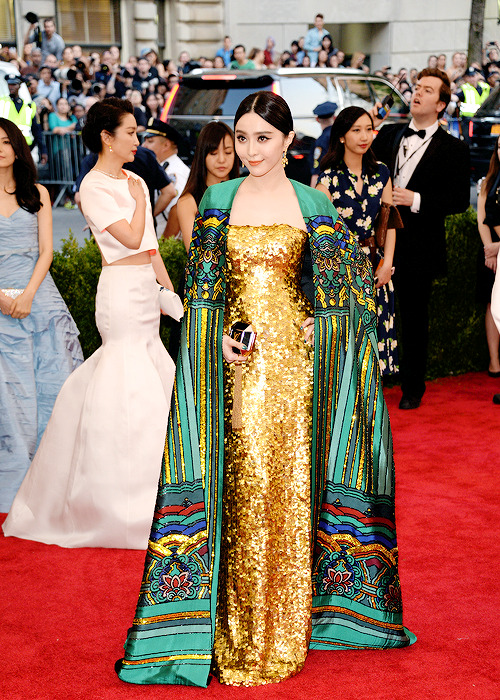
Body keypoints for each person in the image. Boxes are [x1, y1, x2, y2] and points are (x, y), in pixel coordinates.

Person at [116, 91, 415, 688]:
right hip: (237, 371)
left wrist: (319, 317)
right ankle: (233, 623)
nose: (251, 151)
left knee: (291, 483)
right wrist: (213, 340)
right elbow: (202, 292)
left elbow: (350, 289)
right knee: (244, 480)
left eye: (264, 139)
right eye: (244, 138)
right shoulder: (217, 200)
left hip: (298, 370)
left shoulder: (313, 201)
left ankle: (292, 620)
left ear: (287, 142)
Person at [3, 98, 179, 549]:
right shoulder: (94, 185)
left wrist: (168, 291)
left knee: (154, 373)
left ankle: (167, 494)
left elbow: (153, 247)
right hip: (119, 291)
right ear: (107, 136)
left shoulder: (136, 178)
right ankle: (116, 502)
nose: (138, 141)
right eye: (131, 133)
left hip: (144, 287)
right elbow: (129, 237)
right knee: (126, 379)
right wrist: (141, 199)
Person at [371, 68, 470, 409]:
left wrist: (414, 200)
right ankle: (375, 378)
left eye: (427, 90)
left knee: (413, 318)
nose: (417, 93)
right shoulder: (388, 135)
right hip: (379, 241)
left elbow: (458, 200)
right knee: (374, 311)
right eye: (417, 87)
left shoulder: (454, 148)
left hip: (420, 246)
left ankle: (413, 387)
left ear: (441, 105)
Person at [0, 119, 82, 512]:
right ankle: (12, 484)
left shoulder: (39, 194)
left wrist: (29, 294)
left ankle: (51, 482)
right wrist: (2, 298)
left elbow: (46, 250)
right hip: (0, 297)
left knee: (55, 385)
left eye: (5, 141)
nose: (0, 148)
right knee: (9, 393)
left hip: (40, 298)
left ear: (18, 147)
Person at [316, 106, 398, 376]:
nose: (365, 136)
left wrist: (387, 263)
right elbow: (321, 233)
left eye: (368, 129)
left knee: (376, 339)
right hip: (342, 268)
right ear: (341, 136)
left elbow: (389, 224)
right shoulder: (327, 178)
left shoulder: (382, 172)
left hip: (377, 264)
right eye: (356, 130)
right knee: (348, 344)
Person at [477, 136, 500, 378]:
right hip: (489, 252)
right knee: (492, 304)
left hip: (497, 248)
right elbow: (481, 218)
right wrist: (489, 249)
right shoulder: (489, 181)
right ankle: (495, 362)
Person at [142, 119, 190, 232]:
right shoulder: (163, 168)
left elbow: (177, 214)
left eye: (150, 141)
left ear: (166, 145)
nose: (144, 146)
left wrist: (164, 247)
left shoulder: (174, 173)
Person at [0, 74, 47, 165]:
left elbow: (36, 130)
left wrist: (43, 150)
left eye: (14, 84)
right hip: (6, 147)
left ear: (20, 86)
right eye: (9, 84)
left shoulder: (29, 106)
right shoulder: (1, 102)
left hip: (26, 148)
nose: (11, 87)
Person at [309, 100, 337, 186]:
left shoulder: (321, 140)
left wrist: (311, 196)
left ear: (317, 120)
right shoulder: (342, 136)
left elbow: (317, 170)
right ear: (334, 117)